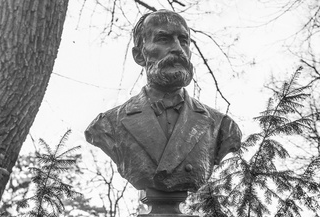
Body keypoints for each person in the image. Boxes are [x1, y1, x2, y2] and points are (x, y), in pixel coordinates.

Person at [85, 10, 241, 193]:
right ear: (139, 55)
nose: (177, 48)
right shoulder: (107, 125)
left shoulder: (222, 127)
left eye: (184, 41)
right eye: (164, 40)